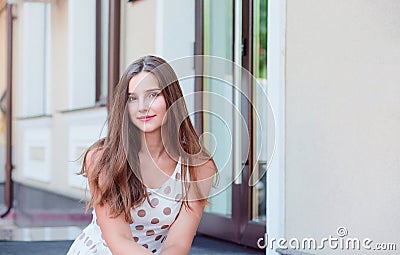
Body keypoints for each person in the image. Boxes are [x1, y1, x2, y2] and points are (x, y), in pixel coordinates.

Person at [67, 55, 217, 255]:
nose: (142, 107)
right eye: (132, 98)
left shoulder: (199, 167)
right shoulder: (102, 159)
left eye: (153, 95)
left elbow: (178, 244)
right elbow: (119, 240)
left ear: (172, 99)